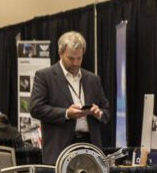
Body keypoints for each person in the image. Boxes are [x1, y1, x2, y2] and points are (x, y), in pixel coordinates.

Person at [29, 31, 110, 164]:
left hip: (90, 146)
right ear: (60, 53)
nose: (76, 63)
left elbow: (106, 111)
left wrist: (99, 113)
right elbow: (36, 108)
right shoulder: (45, 76)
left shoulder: (93, 79)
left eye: (79, 58)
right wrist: (66, 113)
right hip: (60, 148)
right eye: (71, 58)